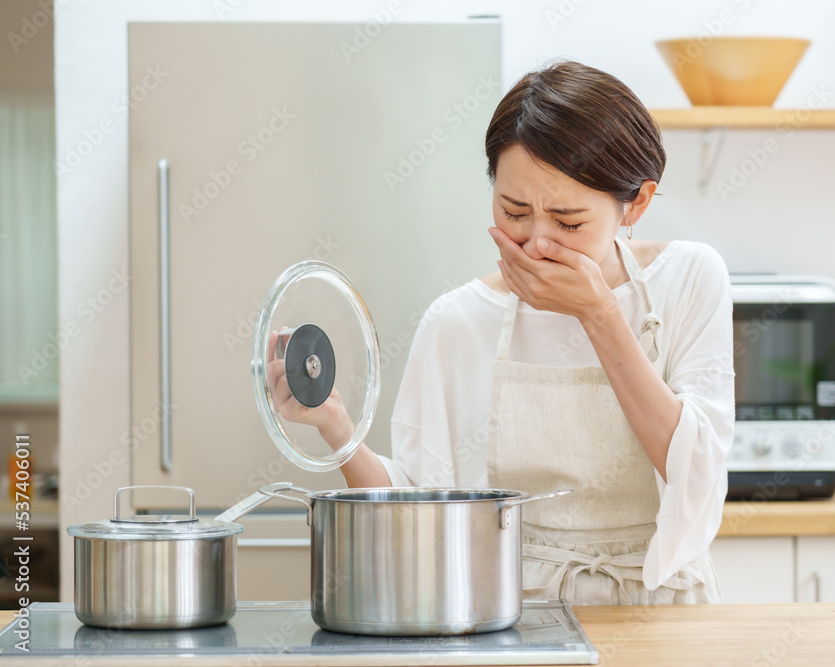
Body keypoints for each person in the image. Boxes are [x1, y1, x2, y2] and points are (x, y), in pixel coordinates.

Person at [268, 60, 735, 605]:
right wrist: (337, 427)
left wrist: (600, 314)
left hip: (663, 609)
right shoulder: (457, 321)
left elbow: (699, 476)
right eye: (514, 212)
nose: (537, 243)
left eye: (568, 223)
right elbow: (416, 513)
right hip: (516, 612)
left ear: (636, 202)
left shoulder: (689, 279)